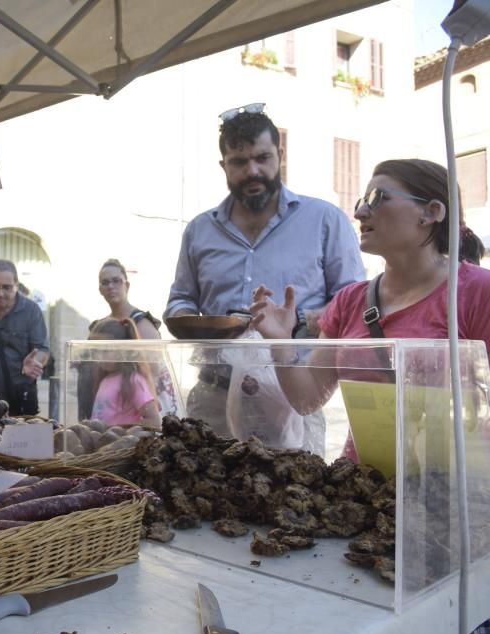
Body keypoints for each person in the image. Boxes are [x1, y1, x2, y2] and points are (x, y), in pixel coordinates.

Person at [251, 158, 490, 452]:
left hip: (448, 486)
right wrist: (281, 342)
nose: (360, 211)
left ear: (431, 211)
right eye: (362, 200)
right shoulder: (350, 300)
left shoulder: (478, 292)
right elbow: (307, 399)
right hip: (364, 485)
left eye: (379, 198)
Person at [164, 103, 365, 435]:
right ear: (223, 165)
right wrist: (198, 323)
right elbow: (180, 299)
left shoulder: (324, 221)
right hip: (213, 396)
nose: (252, 171)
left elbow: (354, 306)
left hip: (293, 395)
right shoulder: (199, 230)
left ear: (280, 155)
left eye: (262, 158)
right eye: (239, 162)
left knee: (296, 487)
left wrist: (300, 320)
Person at [78, 258, 177, 419]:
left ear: (127, 285)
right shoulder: (100, 327)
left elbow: (154, 374)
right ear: (100, 289)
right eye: (105, 282)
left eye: (116, 281)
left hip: (139, 414)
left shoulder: (143, 324)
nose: (111, 286)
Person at [0, 259, 49, 416]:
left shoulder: (31, 311)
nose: (0, 293)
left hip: (19, 398)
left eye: (7, 287)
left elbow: (43, 348)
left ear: (16, 285)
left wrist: (35, 362)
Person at [87, 318, 160, 428]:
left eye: (105, 351)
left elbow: (154, 421)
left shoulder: (133, 380)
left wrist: (122, 429)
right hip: (103, 443)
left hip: (123, 444)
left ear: (123, 350)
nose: (99, 356)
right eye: (96, 351)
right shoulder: (105, 379)